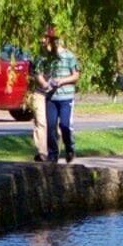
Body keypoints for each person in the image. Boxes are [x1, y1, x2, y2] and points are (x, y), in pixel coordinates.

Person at [35, 28, 81, 163]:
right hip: (51, 97)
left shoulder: (69, 56)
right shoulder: (44, 57)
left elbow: (76, 76)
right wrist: (44, 84)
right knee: (51, 126)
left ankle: (69, 148)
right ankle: (53, 154)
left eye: (48, 39)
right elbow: (37, 72)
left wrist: (61, 81)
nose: (45, 42)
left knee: (65, 125)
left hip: (66, 97)